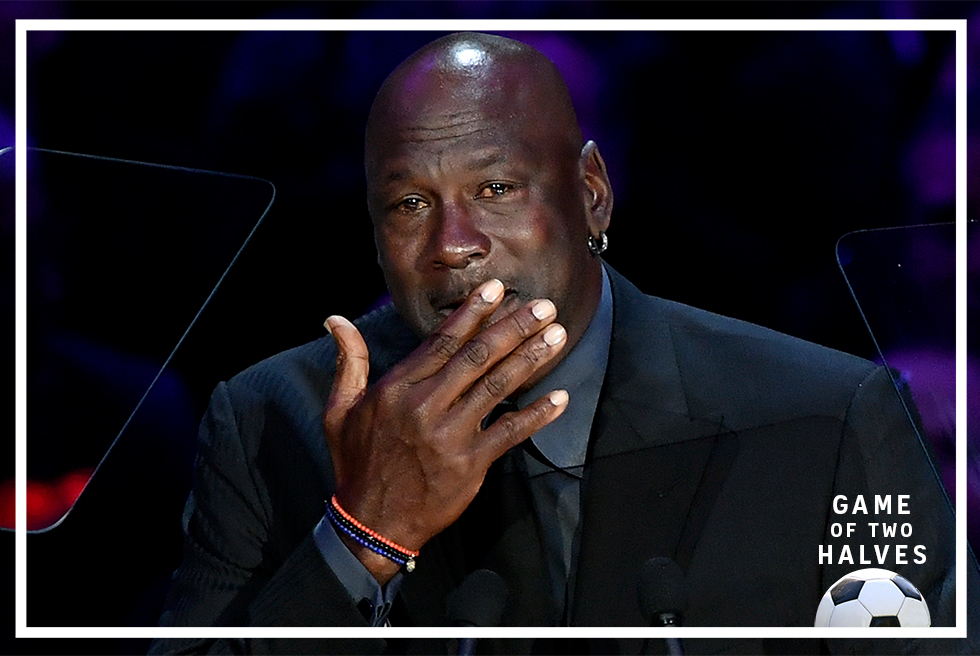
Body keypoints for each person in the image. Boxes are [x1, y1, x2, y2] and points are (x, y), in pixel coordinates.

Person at [151, 32, 977, 654]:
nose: (454, 244)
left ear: (591, 195)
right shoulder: (267, 418)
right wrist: (361, 537)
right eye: (409, 205)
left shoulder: (827, 417)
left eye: (496, 188)